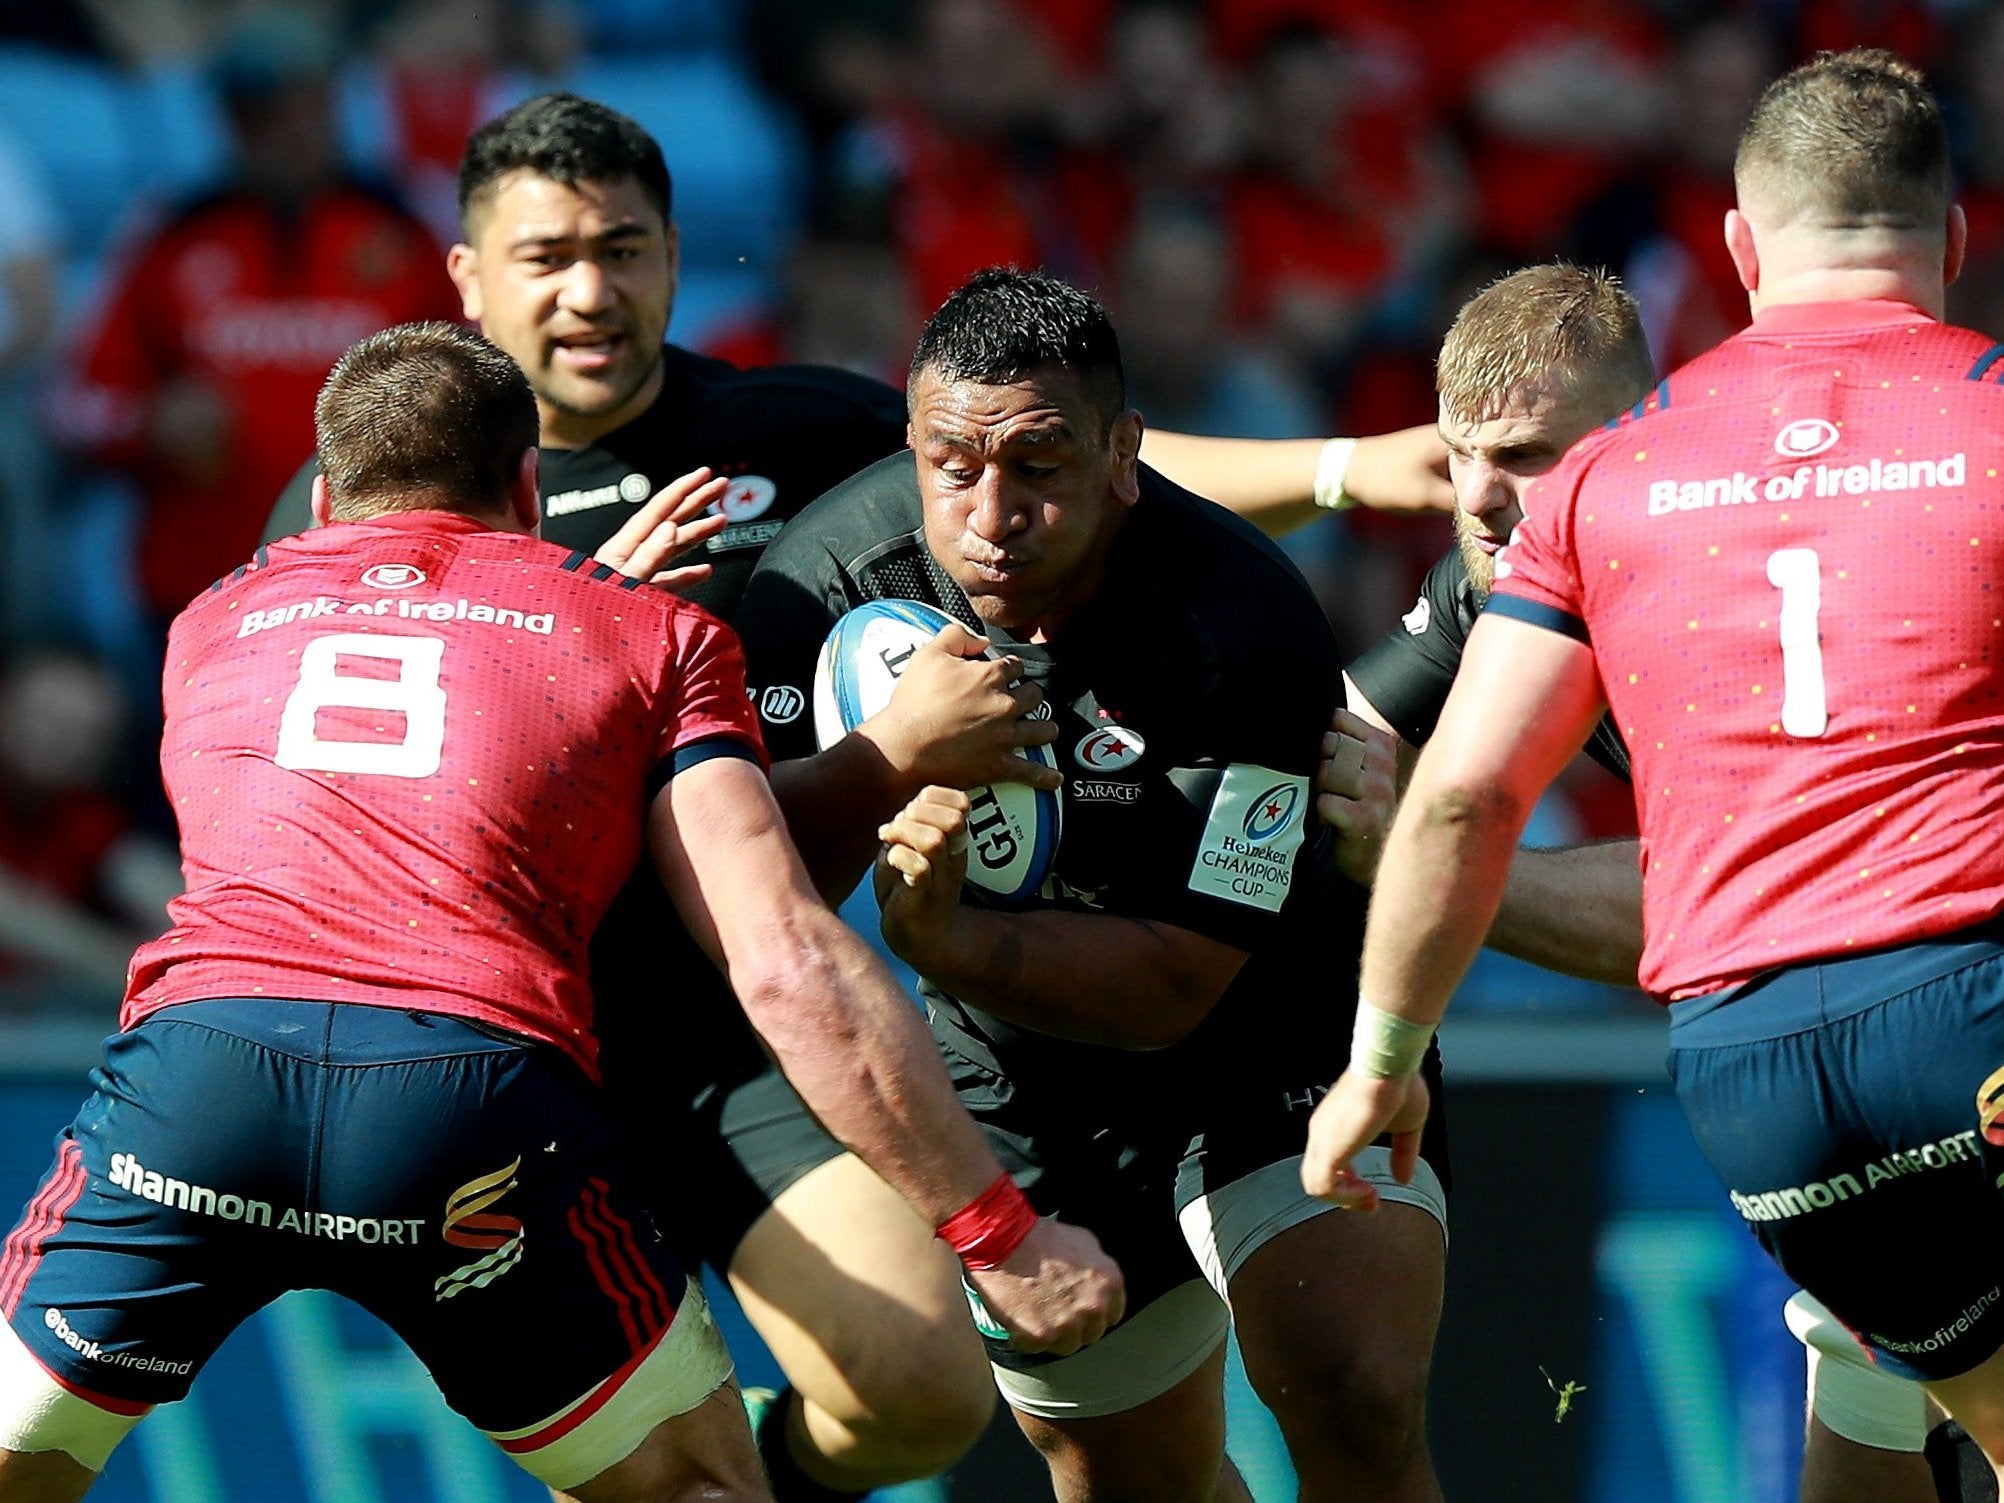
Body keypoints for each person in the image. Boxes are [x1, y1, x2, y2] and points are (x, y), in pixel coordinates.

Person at [255, 91, 1452, 1502]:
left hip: (744, 1021)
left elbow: (1044, 454)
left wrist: (1340, 468)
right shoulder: (378, 501)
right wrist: (594, 634)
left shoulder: (802, 433)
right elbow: (349, 801)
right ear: (465, 275)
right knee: (656, 1469)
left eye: (624, 247)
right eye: (546, 255)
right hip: (519, 1036)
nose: (591, 288)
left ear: (677, 253)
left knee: (926, 1390)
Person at [0, 321, 1122, 1503]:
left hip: (199, 1088)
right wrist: (1001, 1233)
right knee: (696, 1487)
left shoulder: (209, 622)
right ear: (528, 486)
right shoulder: (650, 631)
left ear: (325, 499)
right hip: (465, 1107)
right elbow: (782, 955)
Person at [1299, 46, 2004, 1494]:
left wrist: (1377, 1060)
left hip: (1759, 1081)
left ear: (1740, 251)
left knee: (1899, 1402)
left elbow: (1455, 801)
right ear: (1954, 237)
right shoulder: (1988, 413)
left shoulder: (1622, 480)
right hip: (1970, 996)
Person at [735, 266, 1447, 1503]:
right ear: (910, 444)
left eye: (1040, 466)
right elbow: (749, 864)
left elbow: (1178, 984)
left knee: (1354, 1393)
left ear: (1125, 454)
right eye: (952, 465)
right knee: (1131, 1483)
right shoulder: (817, 585)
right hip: (1016, 1069)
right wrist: (880, 764)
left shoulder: (1243, 623)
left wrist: (945, 941)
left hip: (1273, 1024)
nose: (991, 514)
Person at [51, 7, 460, 647]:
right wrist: (152, 422)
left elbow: (493, 390)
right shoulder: (170, 232)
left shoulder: (412, 225)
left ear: (331, 99)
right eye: (254, 108)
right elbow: (77, 404)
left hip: (382, 581)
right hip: (202, 589)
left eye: (299, 101)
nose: (280, 127)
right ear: (227, 117)